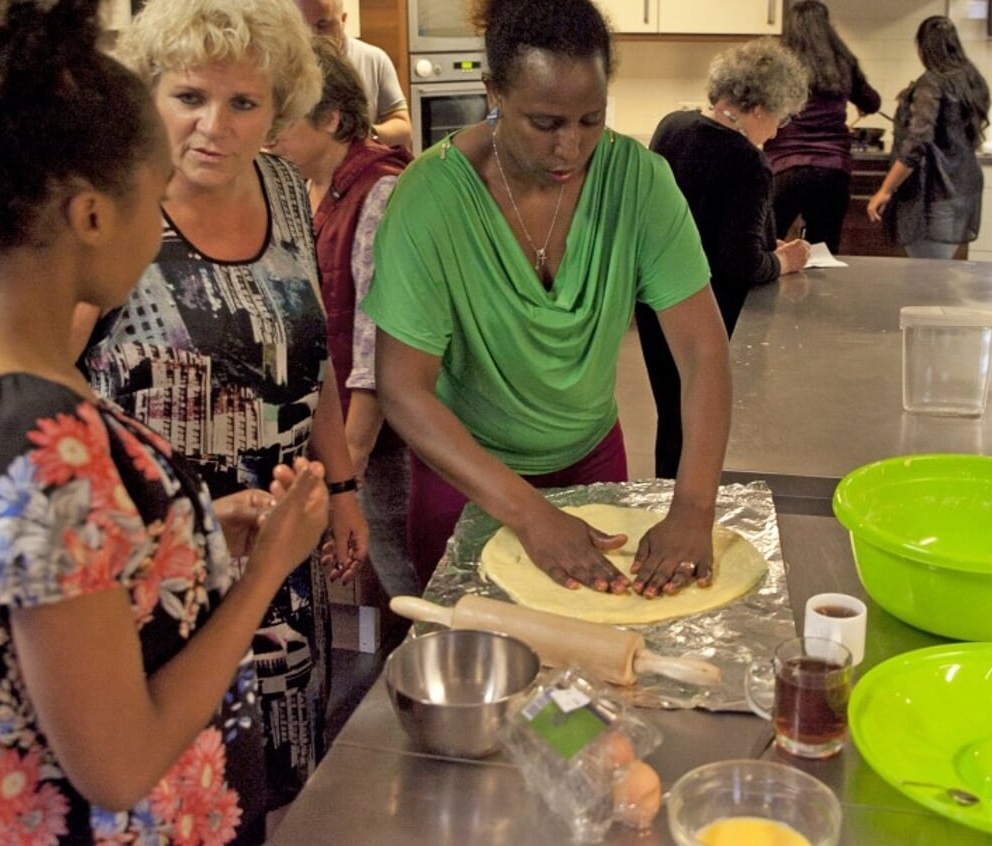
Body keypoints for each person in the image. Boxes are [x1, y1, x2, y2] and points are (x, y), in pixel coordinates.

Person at [0, 1, 331, 843]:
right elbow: (116, 763)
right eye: (153, 202)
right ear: (93, 215)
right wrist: (266, 574)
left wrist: (184, 534)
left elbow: (0, 584)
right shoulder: (50, 443)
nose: (160, 232)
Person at [79, 0, 366, 817]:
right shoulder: (108, 207)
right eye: (190, 97)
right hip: (156, 562)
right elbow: (46, 395)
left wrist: (341, 491)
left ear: (277, 106)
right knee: (174, 792)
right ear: (149, 94)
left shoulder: (282, 185)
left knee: (274, 784)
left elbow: (311, 358)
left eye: (244, 103)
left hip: (281, 553)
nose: (216, 127)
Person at [364, 0, 734, 595]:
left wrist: (693, 506)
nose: (572, 147)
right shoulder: (429, 200)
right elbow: (403, 388)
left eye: (591, 120)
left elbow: (703, 354)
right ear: (494, 93)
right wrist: (530, 513)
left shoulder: (639, 183)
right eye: (546, 123)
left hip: (592, 462)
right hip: (466, 475)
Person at [269, 39, 417, 598]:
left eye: (283, 120)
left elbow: (374, 341)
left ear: (331, 118)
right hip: (343, 429)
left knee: (399, 561)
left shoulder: (379, 192)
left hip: (382, 436)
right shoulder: (309, 185)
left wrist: (347, 466)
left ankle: (421, 662)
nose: (270, 133)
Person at [639, 38, 808, 479]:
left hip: (655, 302)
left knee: (671, 417)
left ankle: (663, 500)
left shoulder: (673, 126)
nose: (776, 130)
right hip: (707, 312)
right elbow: (742, 263)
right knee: (701, 423)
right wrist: (787, 262)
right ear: (759, 107)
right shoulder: (746, 162)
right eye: (779, 117)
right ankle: (692, 513)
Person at [866, 15, 991, 260]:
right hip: (963, 188)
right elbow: (949, 122)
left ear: (923, 47)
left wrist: (885, 190)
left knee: (927, 278)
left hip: (933, 193)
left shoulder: (931, 83)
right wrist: (912, 97)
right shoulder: (969, 79)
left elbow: (916, 143)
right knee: (938, 273)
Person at [764, 0, 881, 255]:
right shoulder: (841, 59)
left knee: (767, 247)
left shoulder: (778, 61)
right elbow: (872, 101)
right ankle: (819, 295)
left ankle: (769, 295)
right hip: (831, 168)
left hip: (784, 167)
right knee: (824, 250)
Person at [296, 0, 413, 149]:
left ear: (343, 20)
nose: (312, 35)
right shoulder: (281, 65)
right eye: (302, 25)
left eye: (323, 25)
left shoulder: (374, 59)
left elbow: (403, 129)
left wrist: (360, 135)